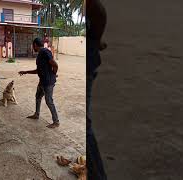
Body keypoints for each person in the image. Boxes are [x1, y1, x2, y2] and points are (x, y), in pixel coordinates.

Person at [18, 38, 59, 129]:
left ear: (35, 45)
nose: (33, 47)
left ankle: (56, 122)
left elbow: (55, 65)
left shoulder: (45, 52)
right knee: (38, 96)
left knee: (49, 101)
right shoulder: (40, 54)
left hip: (48, 82)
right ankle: (36, 114)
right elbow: (38, 70)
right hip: (42, 81)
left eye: (33, 46)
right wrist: (26, 72)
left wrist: (53, 75)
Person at [87, 0, 108, 179]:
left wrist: (95, 42)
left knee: (85, 127)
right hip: (91, 55)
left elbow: (98, 13)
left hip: (90, 58)